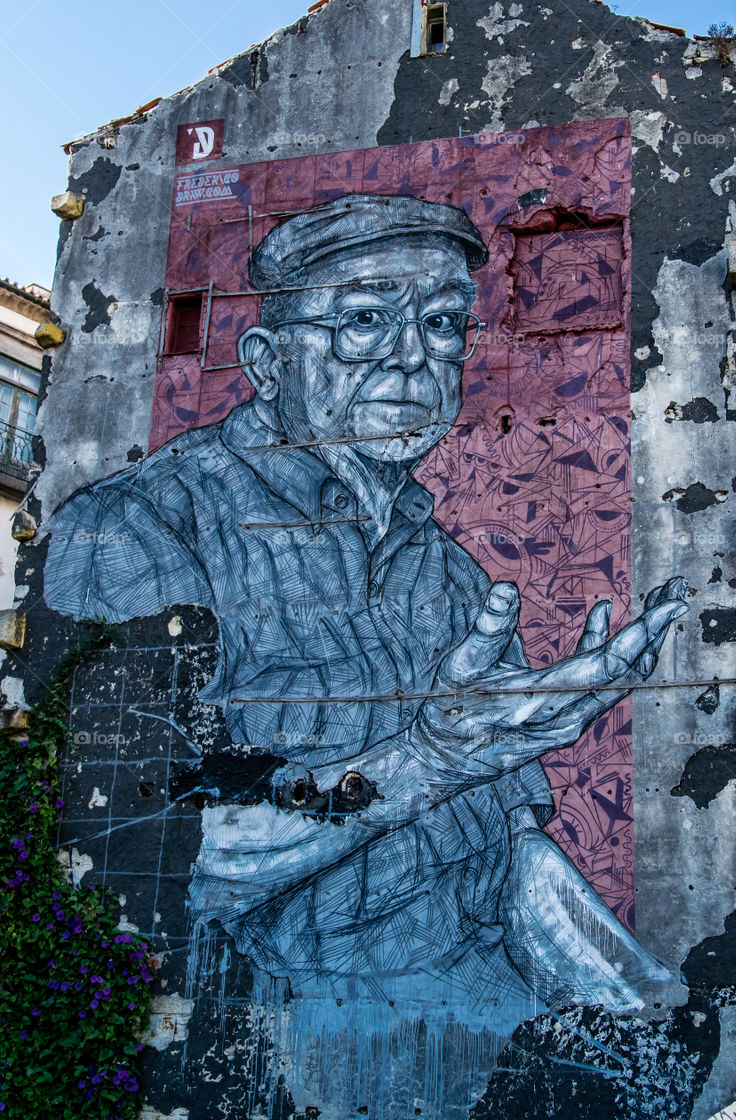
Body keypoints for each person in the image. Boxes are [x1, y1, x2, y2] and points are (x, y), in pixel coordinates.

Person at [45, 194, 687, 1105]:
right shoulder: (141, 527)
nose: (411, 356)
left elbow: (512, 857)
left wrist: (631, 1009)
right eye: (360, 322)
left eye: (439, 324)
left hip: (481, 1038)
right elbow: (135, 864)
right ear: (266, 363)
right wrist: (430, 758)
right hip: (270, 1049)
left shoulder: (453, 575)